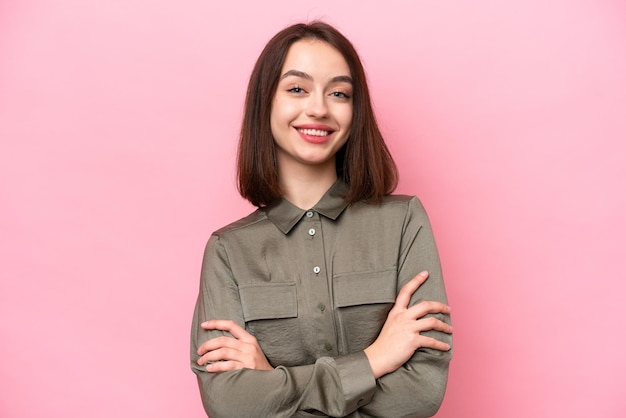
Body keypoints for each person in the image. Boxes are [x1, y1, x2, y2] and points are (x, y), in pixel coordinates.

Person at [190, 21, 453, 418]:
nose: (319, 108)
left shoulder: (403, 223)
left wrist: (272, 381)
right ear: (266, 102)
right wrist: (374, 359)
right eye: (297, 88)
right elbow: (230, 404)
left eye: (339, 93)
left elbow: (421, 393)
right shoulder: (228, 251)